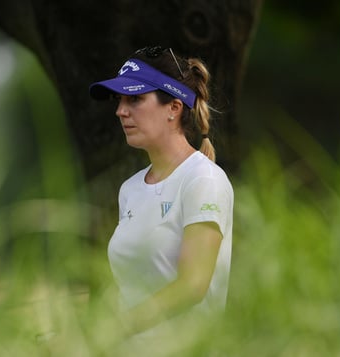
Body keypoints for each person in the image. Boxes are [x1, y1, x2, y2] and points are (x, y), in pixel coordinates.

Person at [87, 46, 234, 350]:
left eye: (135, 99)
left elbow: (192, 286)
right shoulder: (129, 190)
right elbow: (129, 290)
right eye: (119, 101)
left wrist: (113, 328)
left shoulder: (203, 180)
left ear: (174, 107)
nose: (120, 111)